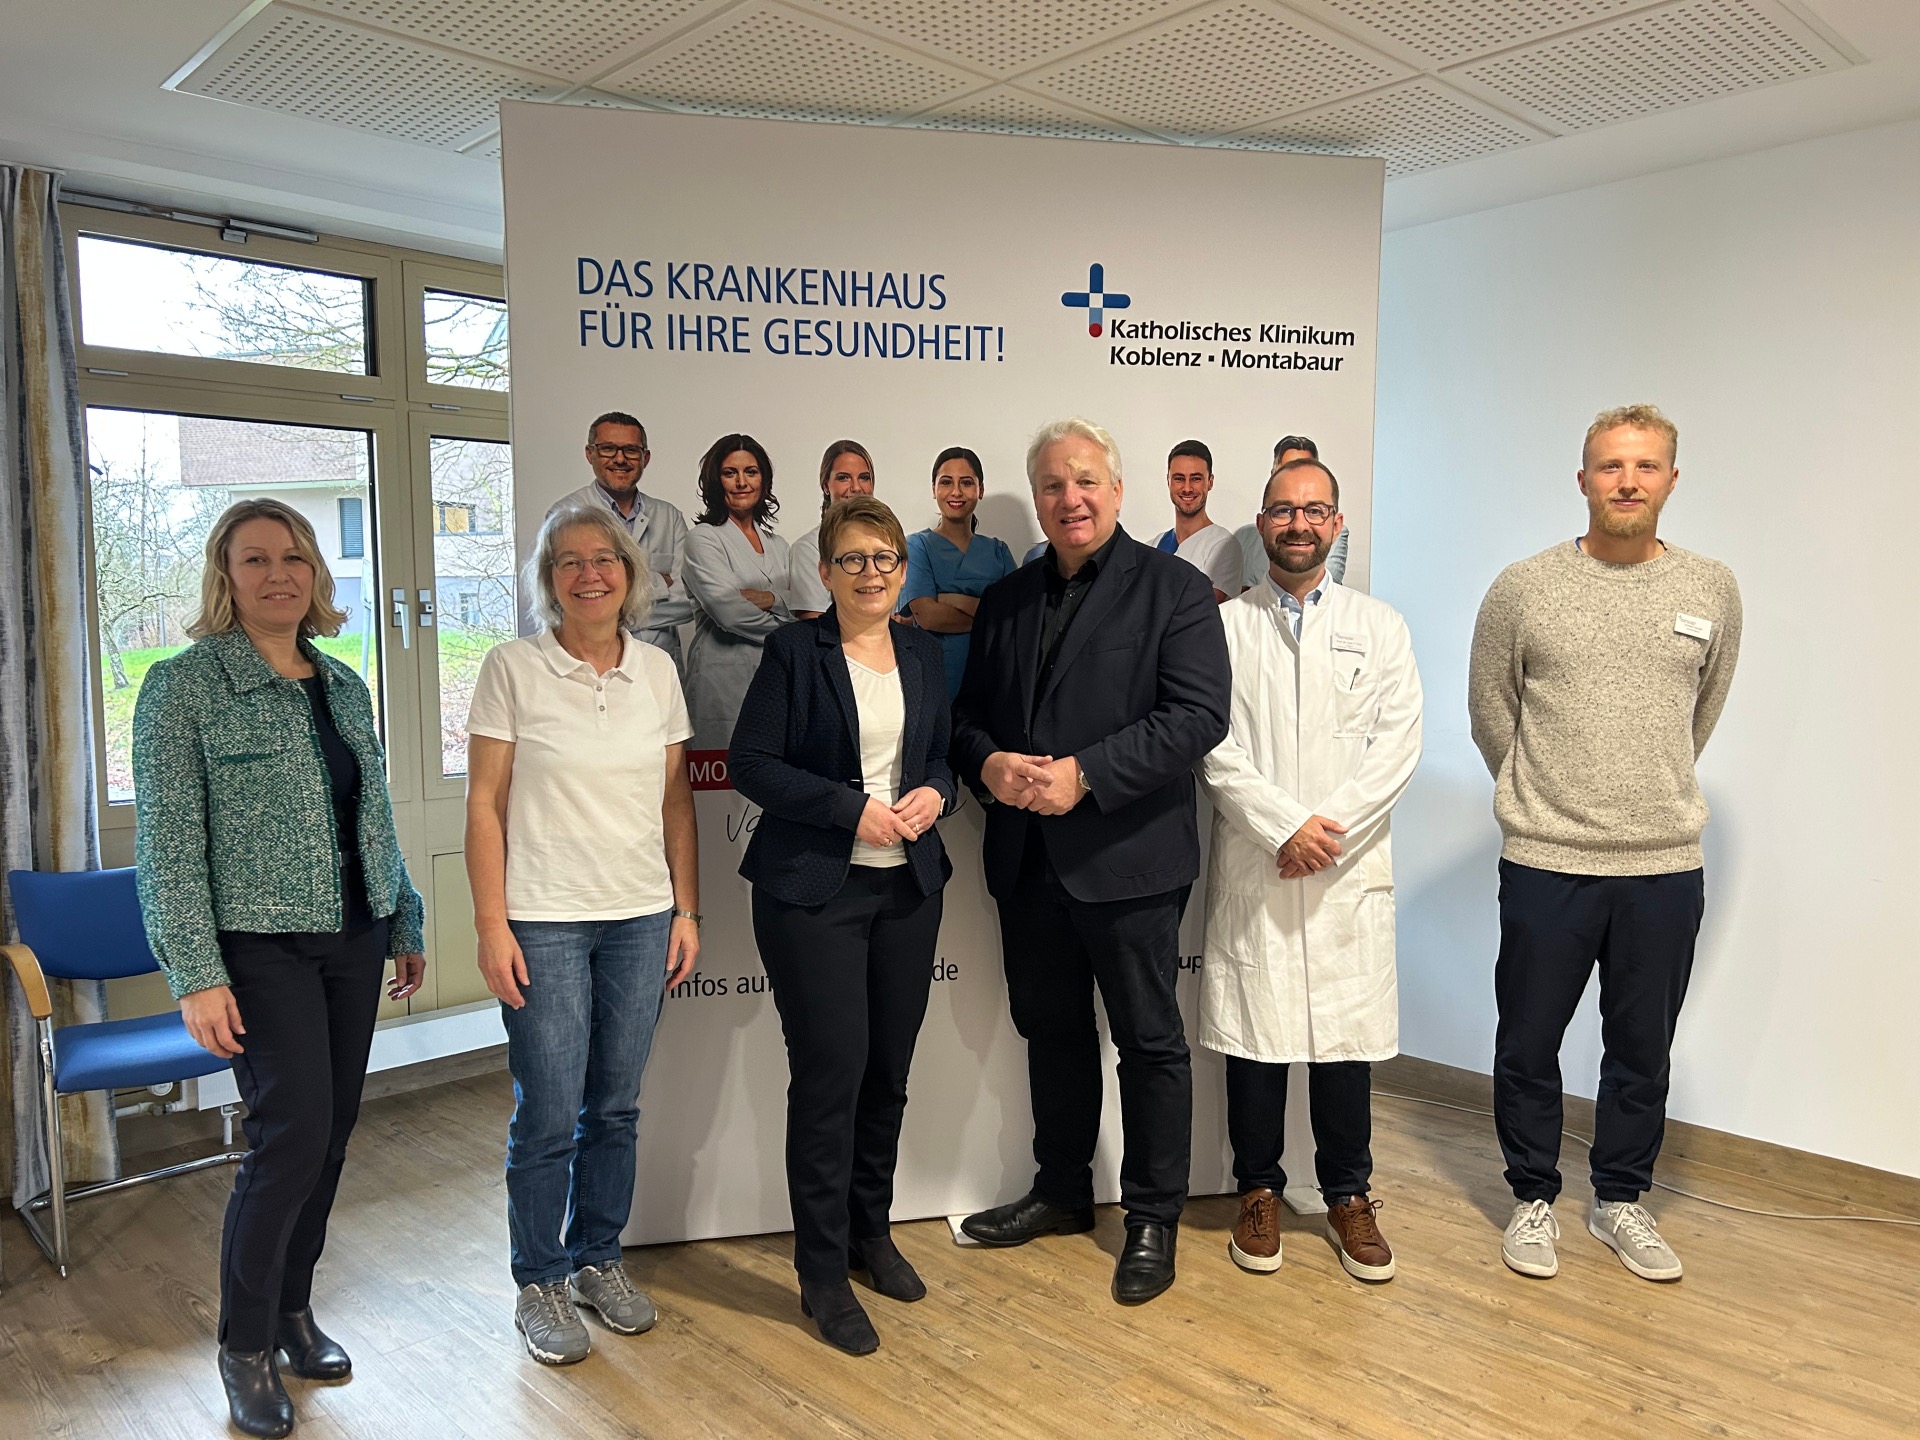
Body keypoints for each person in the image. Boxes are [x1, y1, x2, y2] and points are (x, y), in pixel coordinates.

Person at [132, 499, 427, 1439]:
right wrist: (194, 972)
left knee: (333, 1132)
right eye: (256, 560)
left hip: (354, 935)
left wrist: (404, 915)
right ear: (227, 576)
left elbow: (370, 814)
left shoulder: (341, 684)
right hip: (255, 948)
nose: (279, 575)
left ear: (316, 577)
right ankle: (244, 1344)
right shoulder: (183, 688)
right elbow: (169, 848)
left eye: (294, 558)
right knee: (288, 1136)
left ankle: (295, 1310)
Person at [951, 418, 1230, 1306]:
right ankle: (1063, 1192)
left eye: (1084, 482)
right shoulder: (1005, 600)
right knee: (1053, 1034)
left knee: (1150, 1045)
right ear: (1034, 499)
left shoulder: (1175, 592)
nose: (1068, 499)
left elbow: (1197, 717)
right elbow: (966, 722)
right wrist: (986, 763)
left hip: (1129, 857)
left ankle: (1152, 1218)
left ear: (1116, 489)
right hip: (1027, 860)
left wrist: (1086, 775)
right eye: (1049, 485)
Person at [1468, 404, 1741, 1285]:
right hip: (1548, 859)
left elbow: (1700, 713)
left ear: (1671, 479)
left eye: (1646, 466)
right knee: (1529, 1040)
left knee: (1640, 1050)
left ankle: (1620, 1198)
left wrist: (1644, 788)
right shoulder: (1523, 588)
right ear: (1581, 479)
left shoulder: (1712, 590)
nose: (1628, 481)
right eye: (1611, 466)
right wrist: (1541, 794)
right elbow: (1490, 711)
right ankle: (1533, 1197)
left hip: (1664, 866)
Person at [465, 504, 701, 1365]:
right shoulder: (512, 668)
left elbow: (677, 802)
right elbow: (484, 806)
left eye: (605, 558)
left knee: (617, 1106)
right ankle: (540, 1278)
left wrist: (686, 908)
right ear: (547, 579)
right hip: (544, 920)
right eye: (569, 562)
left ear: (630, 573)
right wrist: (492, 925)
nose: (589, 574)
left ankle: (600, 1258)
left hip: (640, 915)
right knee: (549, 1111)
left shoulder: (658, 673)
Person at [730, 495, 955, 1355]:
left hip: (909, 889)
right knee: (831, 1081)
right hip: (812, 893)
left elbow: (937, 753)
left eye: (887, 558)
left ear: (905, 570)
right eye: (854, 559)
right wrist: (846, 810)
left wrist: (941, 789)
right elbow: (752, 763)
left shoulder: (924, 652)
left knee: (888, 1076)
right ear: (824, 572)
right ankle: (820, 1274)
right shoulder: (795, 650)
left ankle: (871, 1237)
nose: (872, 573)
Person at [1197, 457, 1423, 1283]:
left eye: (1315, 510)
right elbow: (1213, 744)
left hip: (1342, 869)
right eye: (1283, 511)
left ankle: (1348, 1194)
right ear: (1262, 524)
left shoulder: (1382, 626)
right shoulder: (1224, 629)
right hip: (1264, 860)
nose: (1299, 524)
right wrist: (1282, 827)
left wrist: (1326, 833)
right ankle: (1257, 1189)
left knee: (1341, 1043)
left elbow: (1398, 746)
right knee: (1257, 1040)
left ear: (1336, 524)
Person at [551, 411, 694, 670]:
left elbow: (688, 602)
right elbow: (560, 600)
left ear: (645, 458)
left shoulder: (669, 517)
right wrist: (661, 582)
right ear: (589, 454)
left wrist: (606, 608)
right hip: (590, 665)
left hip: (658, 664)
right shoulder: (566, 515)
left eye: (630, 450)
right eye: (608, 449)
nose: (620, 459)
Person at [681, 433, 793, 750]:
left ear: (764, 480)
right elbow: (729, 613)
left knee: (771, 786)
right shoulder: (703, 539)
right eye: (730, 473)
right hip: (720, 685)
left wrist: (771, 598)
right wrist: (793, 627)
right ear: (716, 481)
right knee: (719, 794)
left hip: (773, 681)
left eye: (751, 472)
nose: (742, 482)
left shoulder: (779, 545)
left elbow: (796, 602)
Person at [900, 446, 1018, 699]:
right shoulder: (917, 547)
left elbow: (1014, 619)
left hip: (991, 680)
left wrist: (952, 599)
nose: (956, 492)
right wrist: (989, 617)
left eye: (966, 482)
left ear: (980, 490)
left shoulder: (998, 551)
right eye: (946, 482)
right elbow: (929, 616)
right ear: (934, 490)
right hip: (933, 681)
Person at [789, 440, 877, 619]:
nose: (856, 487)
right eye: (843, 478)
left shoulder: (887, 541)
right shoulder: (808, 549)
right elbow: (812, 624)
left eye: (864, 477)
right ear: (825, 486)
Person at [1152, 440, 1242, 602]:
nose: (1187, 488)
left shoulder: (1223, 546)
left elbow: (1200, 608)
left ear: (1210, 482)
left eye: (1196, 479)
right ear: (1168, 481)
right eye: (1179, 478)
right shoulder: (1153, 546)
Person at [1270, 436, 1348, 586]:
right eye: (1288, 469)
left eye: (1304, 468)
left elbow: (1321, 585)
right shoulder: (1247, 537)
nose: (1299, 527)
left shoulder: (1331, 530)